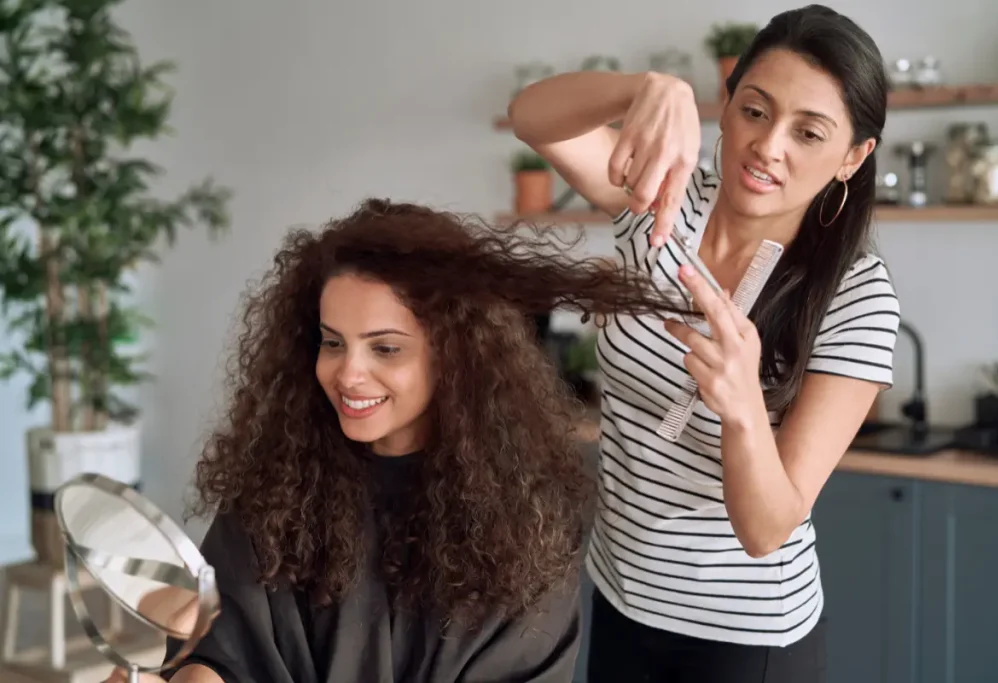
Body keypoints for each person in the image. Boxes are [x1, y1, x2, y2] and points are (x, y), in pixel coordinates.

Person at [105, 199, 685, 683]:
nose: (348, 374)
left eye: (385, 348)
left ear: (454, 358)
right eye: (333, 343)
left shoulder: (526, 520)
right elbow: (218, 652)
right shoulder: (278, 485)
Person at [507, 5, 900, 682]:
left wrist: (745, 405)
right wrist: (641, 89)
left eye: (809, 132)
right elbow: (530, 116)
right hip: (619, 597)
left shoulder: (857, 296)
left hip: (744, 640)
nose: (769, 146)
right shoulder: (665, 198)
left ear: (853, 157)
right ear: (728, 102)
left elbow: (767, 528)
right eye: (755, 110)